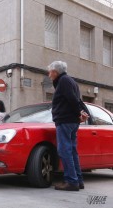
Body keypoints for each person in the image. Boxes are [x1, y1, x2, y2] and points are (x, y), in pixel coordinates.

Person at [48, 61, 89, 191]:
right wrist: (83, 112)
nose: (49, 75)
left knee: (64, 151)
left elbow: (72, 98)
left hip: (65, 121)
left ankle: (71, 181)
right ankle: (78, 180)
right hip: (71, 121)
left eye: (50, 72)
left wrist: (79, 112)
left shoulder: (64, 81)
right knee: (71, 151)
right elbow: (78, 99)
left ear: (55, 72)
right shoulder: (70, 81)